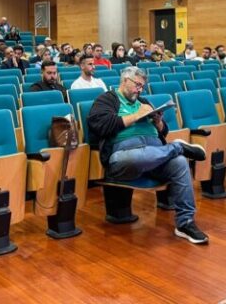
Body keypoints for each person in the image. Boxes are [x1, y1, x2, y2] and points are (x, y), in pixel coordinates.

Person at [87, 66, 209, 244]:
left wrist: (158, 122)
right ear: (124, 81)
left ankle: (186, 223)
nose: (139, 90)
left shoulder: (143, 101)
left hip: (155, 154)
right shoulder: (106, 100)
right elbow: (101, 126)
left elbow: (163, 132)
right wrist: (136, 115)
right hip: (124, 156)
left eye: (142, 86)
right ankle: (177, 147)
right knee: (139, 156)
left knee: (181, 163)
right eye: (137, 85)